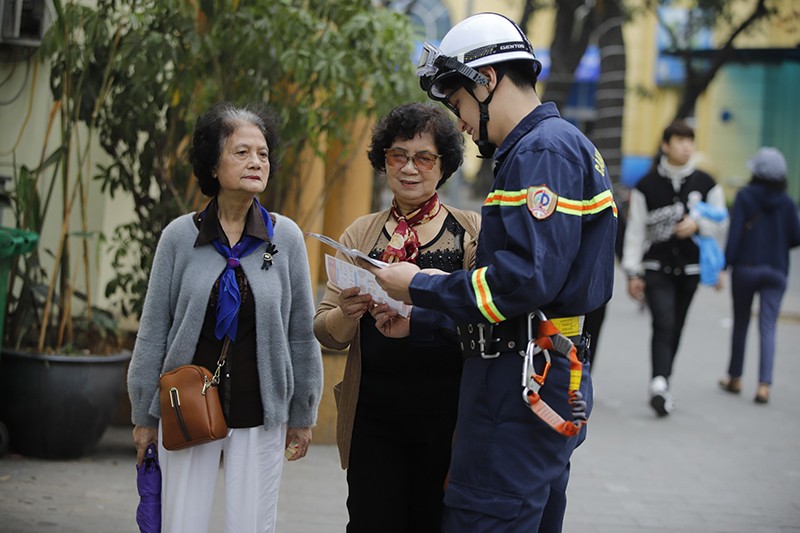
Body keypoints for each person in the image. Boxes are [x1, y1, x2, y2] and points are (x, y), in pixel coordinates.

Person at [371, 13, 617, 532]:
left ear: (487, 81)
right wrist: (421, 320)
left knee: (485, 516)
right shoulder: (546, 148)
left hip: (518, 385)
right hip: (536, 367)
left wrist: (418, 284)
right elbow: (521, 299)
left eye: (458, 103)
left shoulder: (541, 151)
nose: (459, 121)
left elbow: (524, 281)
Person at [127, 102, 323, 533]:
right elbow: (154, 328)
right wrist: (144, 416)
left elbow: (300, 332)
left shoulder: (284, 237)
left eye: (263, 153)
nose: (257, 161)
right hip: (186, 406)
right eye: (241, 152)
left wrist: (303, 412)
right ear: (213, 166)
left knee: (251, 525)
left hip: (260, 406)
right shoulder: (179, 237)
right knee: (182, 523)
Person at [313, 102, 480, 532]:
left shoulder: (471, 233)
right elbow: (325, 332)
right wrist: (348, 315)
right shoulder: (360, 234)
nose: (409, 168)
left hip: (448, 417)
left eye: (424, 157)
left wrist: (425, 310)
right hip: (374, 414)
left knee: (435, 521)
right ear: (383, 160)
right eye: (397, 155)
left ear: (443, 165)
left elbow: (484, 319)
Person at [622, 120, 727, 417]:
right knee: (664, 322)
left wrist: (699, 225)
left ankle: (663, 382)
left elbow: (721, 225)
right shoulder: (646, 184)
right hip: (656, 267)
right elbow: (636, 232)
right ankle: (658, 383)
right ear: (666, 145)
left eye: (690, 141)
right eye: (679, 140)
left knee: (677, 325)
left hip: (692, 268)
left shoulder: (707, 183)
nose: (686, 146)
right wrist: (633, 272)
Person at [719, 147, 800, 404]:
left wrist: (725, 265)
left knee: (741, 322)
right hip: (776, 269)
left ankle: (735, 377)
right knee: (768, 326)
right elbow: (796, 237)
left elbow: (734, 236)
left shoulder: (745, 197)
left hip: (746, 268)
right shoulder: (788, 202)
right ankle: (764, 384)